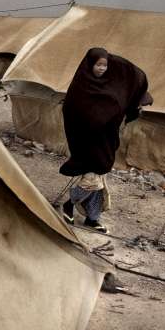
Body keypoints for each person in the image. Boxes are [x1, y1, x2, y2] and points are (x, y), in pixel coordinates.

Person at [60, 47, 152, 233]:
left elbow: (120, 99)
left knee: (100, 177)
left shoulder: (110, 85)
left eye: (105, 65)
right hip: (86, 140)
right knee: (93, 179)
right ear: (90, 64)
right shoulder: (81, 86)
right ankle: (69, 204)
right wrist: (95, 120)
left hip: (105, 140)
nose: (102, 68)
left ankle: (92, 218)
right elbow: (73, 111)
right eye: (98, 64)